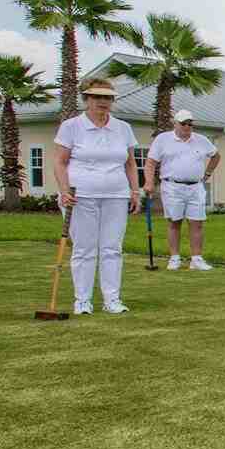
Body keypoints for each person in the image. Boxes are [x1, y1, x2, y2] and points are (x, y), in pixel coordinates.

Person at [53, 78, 141, 314]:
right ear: (87, 99)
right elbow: (60, 162)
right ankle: (82, 300)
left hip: (116, 195)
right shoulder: (71, 126)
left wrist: (135, 191)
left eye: (108, 98)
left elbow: (131, 163)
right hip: (80, 196)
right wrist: (63, 190)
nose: (103, 102)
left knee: (112, 248)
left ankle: (112, 299)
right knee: (84, 248)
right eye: (97, 97)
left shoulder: (123, 128)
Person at [143, 109, 220, 270]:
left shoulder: (201, 140)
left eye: (190, 124)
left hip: (195, 186)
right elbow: (151, 162)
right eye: (183, 123)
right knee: (174, 222)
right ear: (175, 123)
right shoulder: (163, 139)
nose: (187, 126)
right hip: (172, 186)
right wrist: (149, 182)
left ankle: (196, 259)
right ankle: (174, 258)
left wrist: (207, 174)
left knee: (197, 223)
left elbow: (216, 156)